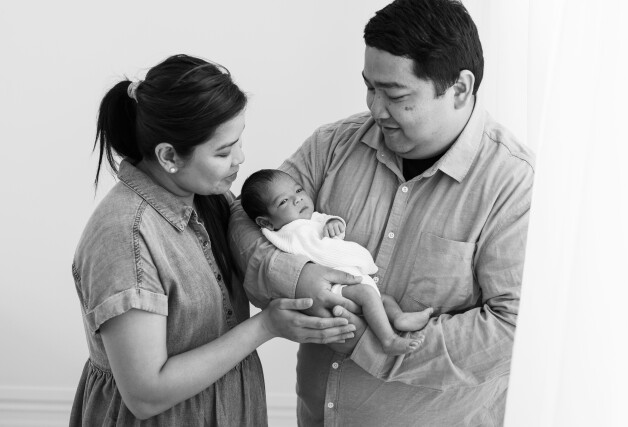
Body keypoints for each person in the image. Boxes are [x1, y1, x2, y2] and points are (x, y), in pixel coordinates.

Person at [229, 0, 535, 425]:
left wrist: (367, 344)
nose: (375, 109)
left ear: (460, 89)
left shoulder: (514, 183)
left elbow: (512, 329)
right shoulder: (332, 145)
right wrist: (300, 279)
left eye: (394, 95)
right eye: (370, 88)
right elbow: (244, 221)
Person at [69, 54, 359, 426]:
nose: (241, 158)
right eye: (223, 151)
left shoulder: (210, 198)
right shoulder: (125, 236)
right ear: (169, 156)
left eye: (238, 141)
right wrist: (266, 326)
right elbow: (145, 395)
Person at [240, 169, 434, 355]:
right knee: (368, 294)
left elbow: (327, 221)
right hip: (332, 287)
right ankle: (388, 340)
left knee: (383, 298)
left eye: (298, 190)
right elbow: (314, 252)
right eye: (283, 201)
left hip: (350, 281)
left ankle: (399, 318)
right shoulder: (284, 233)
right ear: (266, 222)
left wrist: (334, 223)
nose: (297, 199)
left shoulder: (313, 218)